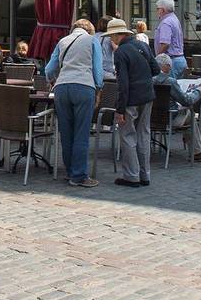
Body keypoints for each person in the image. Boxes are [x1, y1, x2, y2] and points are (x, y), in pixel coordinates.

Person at [44, 19, 104, 187]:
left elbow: (49, 69)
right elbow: (98, 70)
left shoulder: (62, 41)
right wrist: (99, 88)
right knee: (81, 133)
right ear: (90, 30)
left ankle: (70, 171)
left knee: (66, 132)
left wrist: (52, 80)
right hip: (84, 86)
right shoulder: (92, 41)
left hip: (62, 87)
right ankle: (79, 175)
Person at [111, 19, 154, 187]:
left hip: (131, 99)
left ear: (117, 35)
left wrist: (120, 109)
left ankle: (131, 176)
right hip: (147, 96)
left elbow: (123, 84)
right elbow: (156, 69)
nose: (111, 39)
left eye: (111, 36)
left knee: (128, 136)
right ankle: (145, 175)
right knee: (144, 135)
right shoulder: (142, 46)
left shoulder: (120, 52)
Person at [151, 53, 201, 162]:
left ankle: (191, 142)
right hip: (170, 119)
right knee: (190, 113)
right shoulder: (170, 81)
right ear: (166, 66)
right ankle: (197, 152)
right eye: (170, 66)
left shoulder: (148, 79)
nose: (170, 69)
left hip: (150, 119)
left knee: (186, 114)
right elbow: (187, 101)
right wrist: (199, 91)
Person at [152, 0, 187, 78]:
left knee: (168, 85)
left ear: (162, 10)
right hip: (179, 59)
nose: (157, 11)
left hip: (170, 62)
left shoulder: (166, 22)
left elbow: (165, 44)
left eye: (157, 9)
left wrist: (157, 59)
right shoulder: (174, 19)